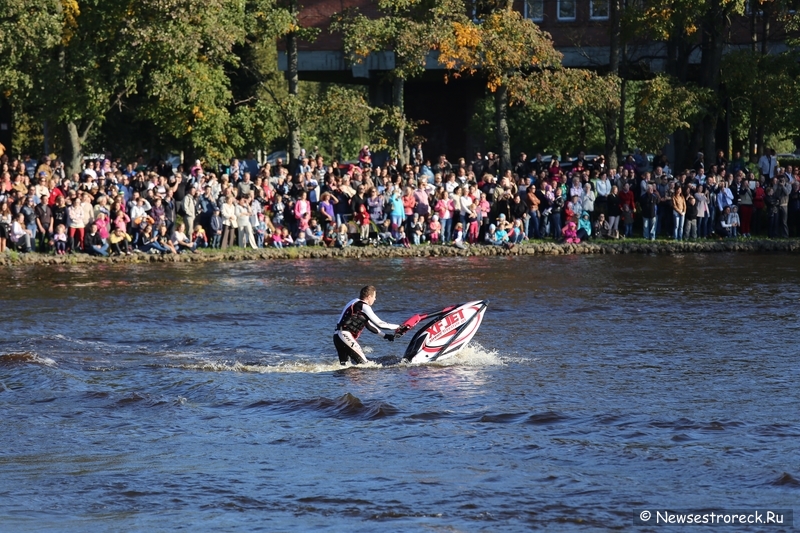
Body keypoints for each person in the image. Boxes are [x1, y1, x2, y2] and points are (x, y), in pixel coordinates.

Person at [333, 286, 400, 365]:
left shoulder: (354, 302)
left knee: (345, 367)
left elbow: (369, 326)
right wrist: (399, 326)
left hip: (337, 336)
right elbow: (380, 324)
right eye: (374, 297)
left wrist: (385, 336)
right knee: (365, 364)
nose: (375, 299)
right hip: (344, 336)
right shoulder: (364, 306)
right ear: (369, 297)